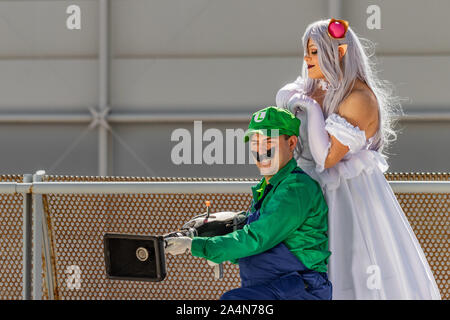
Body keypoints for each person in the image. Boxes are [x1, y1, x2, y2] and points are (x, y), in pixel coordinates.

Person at [276, 18, 441, 299]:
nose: (307, 58)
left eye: (315, 51)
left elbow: (325, 158)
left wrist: (312, 109)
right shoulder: (320, 87)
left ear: (338, 52)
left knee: (351, 266)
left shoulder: (359, 98)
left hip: (348, 199)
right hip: (309, 195)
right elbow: (282, 103)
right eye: (306, 51)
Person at [165, 106, 332, 300]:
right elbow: (261, 252)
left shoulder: (296, 188)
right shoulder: (266, 189)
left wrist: (198, 246)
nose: (261, 151)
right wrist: (216, 248)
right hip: (274, 288)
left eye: (268, 142)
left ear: (291, 142)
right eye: (255, 143)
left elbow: (257, 238)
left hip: (298, 289)